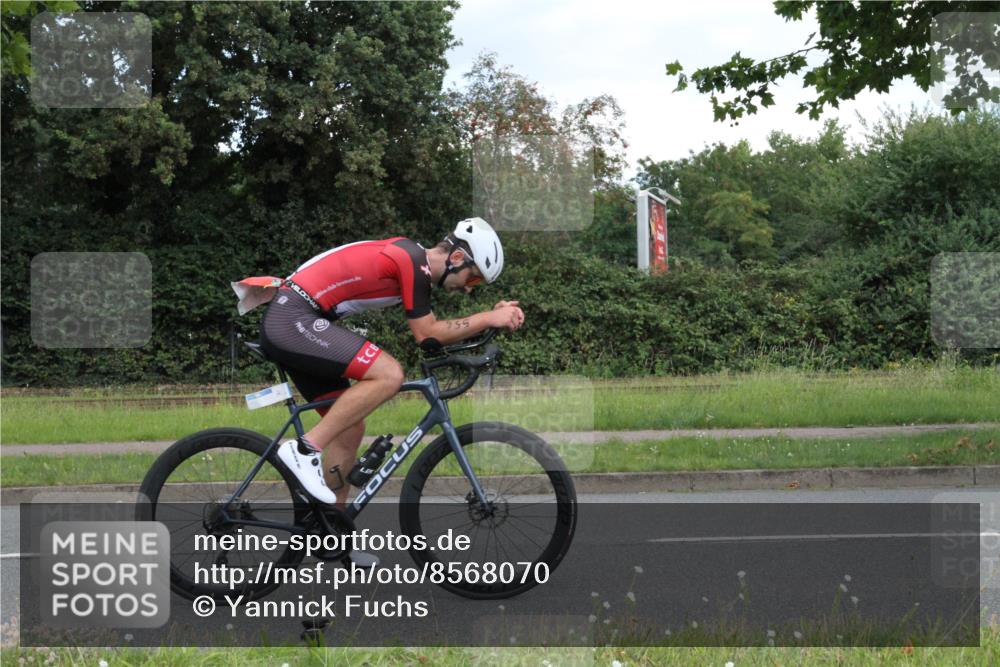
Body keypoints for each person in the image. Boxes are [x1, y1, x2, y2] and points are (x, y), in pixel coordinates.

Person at [232, 217, 524, 509]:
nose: (469, 288)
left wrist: (489, 321)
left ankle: (332, 532)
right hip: (293, 319)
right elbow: (427, 334)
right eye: (472, 279)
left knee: (349, 429)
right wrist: (487, 317)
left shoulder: (415, 265)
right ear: (457, 257)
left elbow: (435, 337)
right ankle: (304, 449)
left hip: (300, 321)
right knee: (389, 374)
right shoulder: (412, 260)